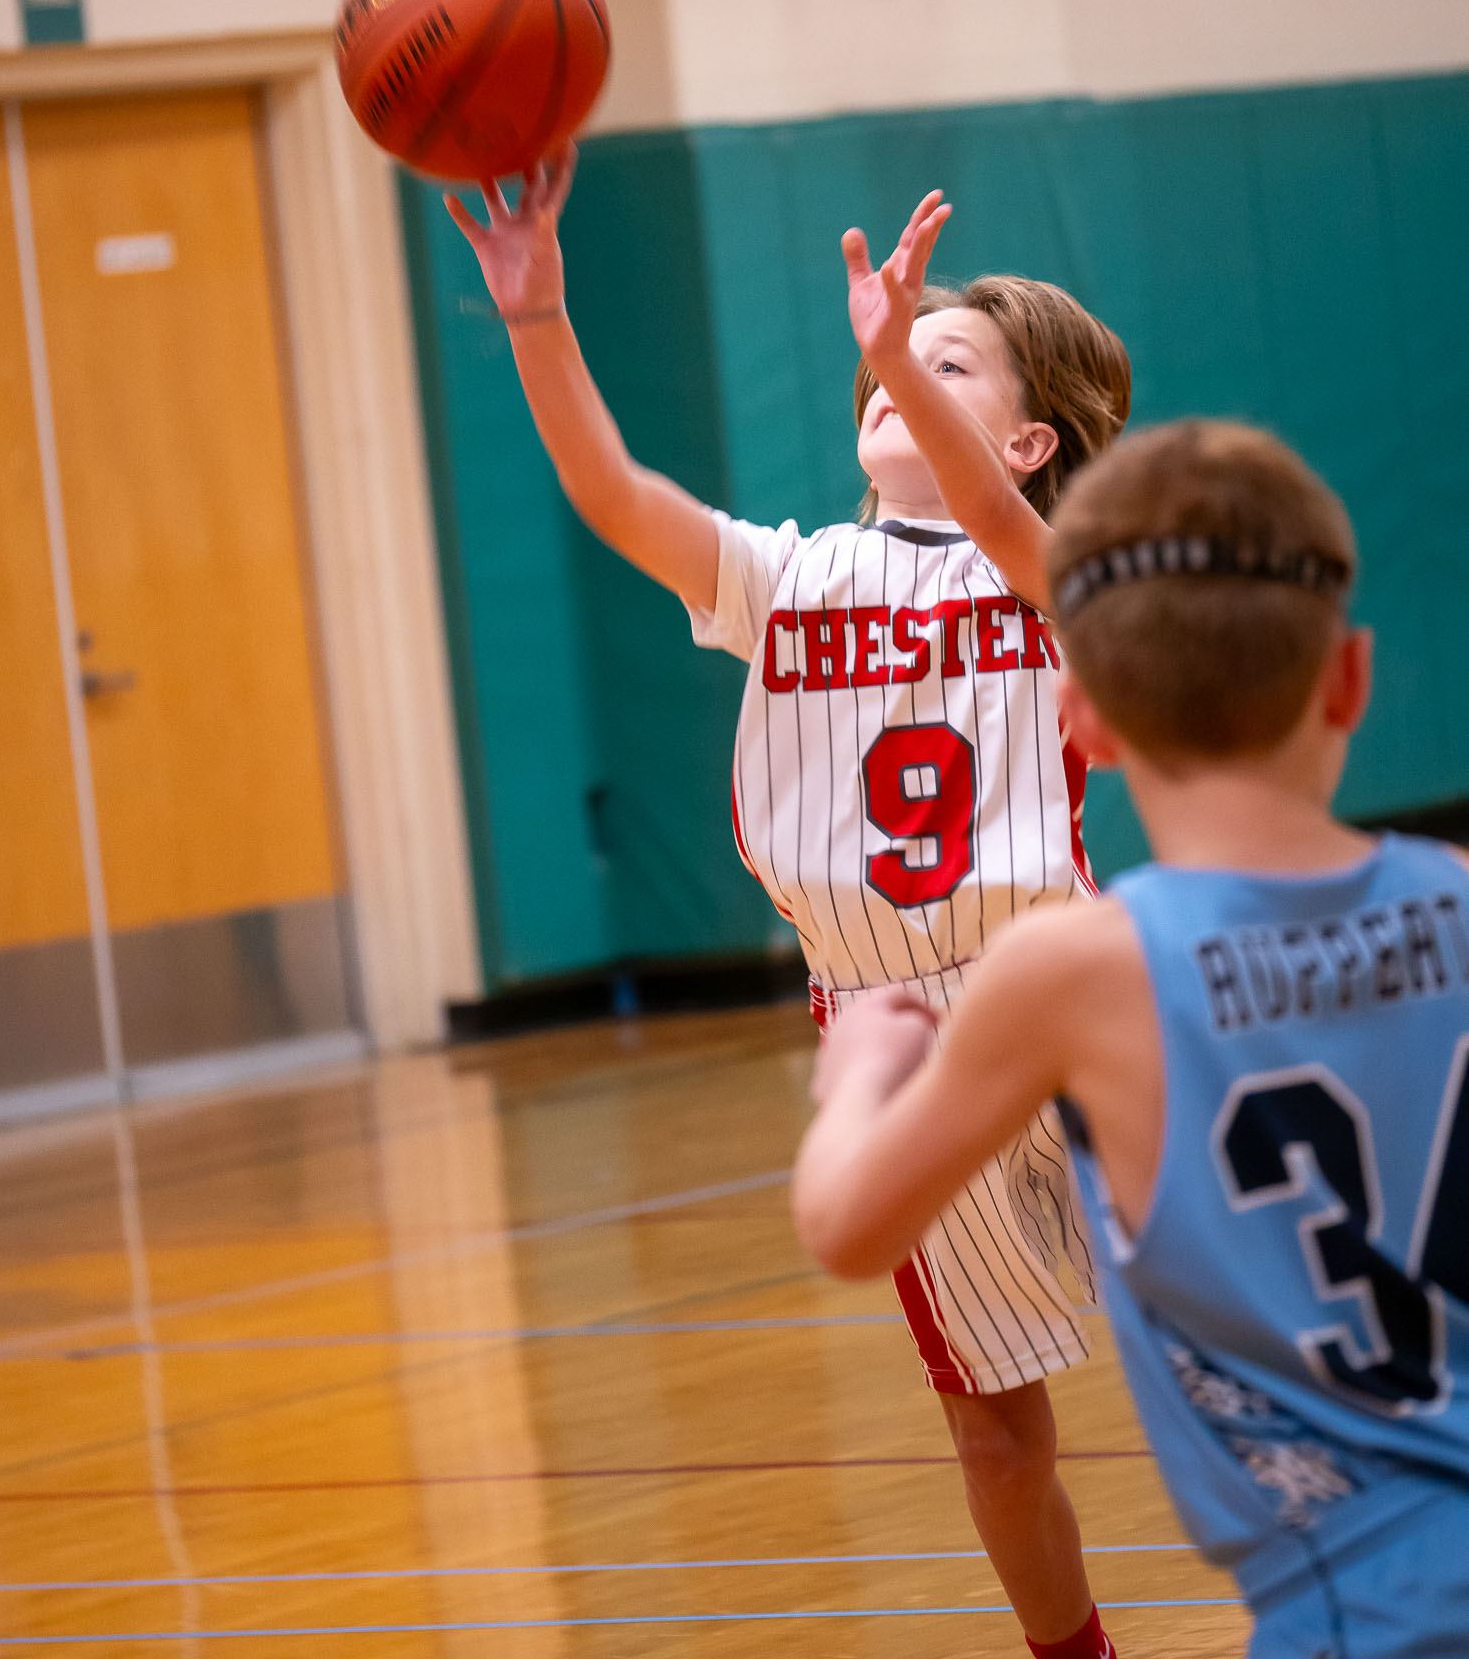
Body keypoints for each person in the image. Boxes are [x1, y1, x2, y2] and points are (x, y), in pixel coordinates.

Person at [446, 145, 1132, 1659]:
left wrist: (894, 342)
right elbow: (611, 493)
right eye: (890, 358)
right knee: (997, 1437)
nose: (898, 365)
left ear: (1028, 444)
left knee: (1249, 1341)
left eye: (950, 360)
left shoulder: (1059, 571)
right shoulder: (789, 576)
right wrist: (538, 315)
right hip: (893, 1035)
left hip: (1073, 1002)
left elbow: (1010, 538)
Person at [793, 418, 1469, 1658]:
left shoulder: (1079, 968)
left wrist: (861, 1079)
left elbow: (846, 1223)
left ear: (1081, 723)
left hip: (1361, 1599)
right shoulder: (1460, 898)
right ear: (1352, 681)